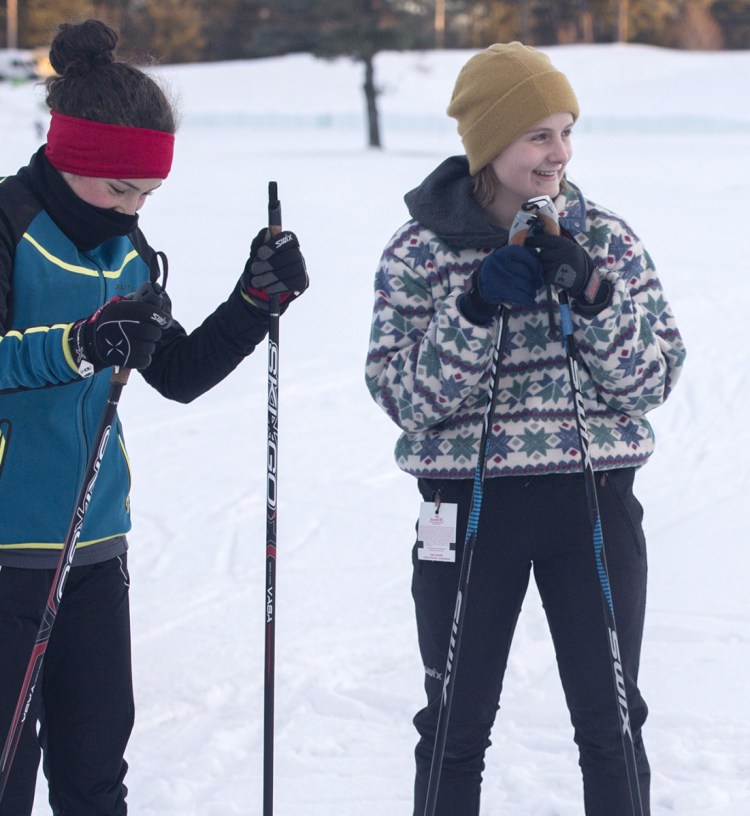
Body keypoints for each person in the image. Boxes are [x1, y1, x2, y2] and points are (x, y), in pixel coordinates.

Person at [365, 42, 685, 816]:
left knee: (611, 721)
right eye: (539, 134)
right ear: (489, 141)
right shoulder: (420, 252)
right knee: (455, 724)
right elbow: (405, 395)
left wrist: (596, 294)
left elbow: (654, 378)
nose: (560, 153)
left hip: (592, 503)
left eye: (567, 132)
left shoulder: (605, 238)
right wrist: (471, 310)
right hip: (467, 510)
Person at [0, 19, 308, 816]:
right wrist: (77, 344)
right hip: (7, 551)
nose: (133, 208)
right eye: (120, 190)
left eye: (148, 195)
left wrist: (254, 303)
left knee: (95, 772)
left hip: (95, 544)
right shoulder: (9, 228)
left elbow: (173, 373)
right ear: (71, 157)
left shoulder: (125, 249)